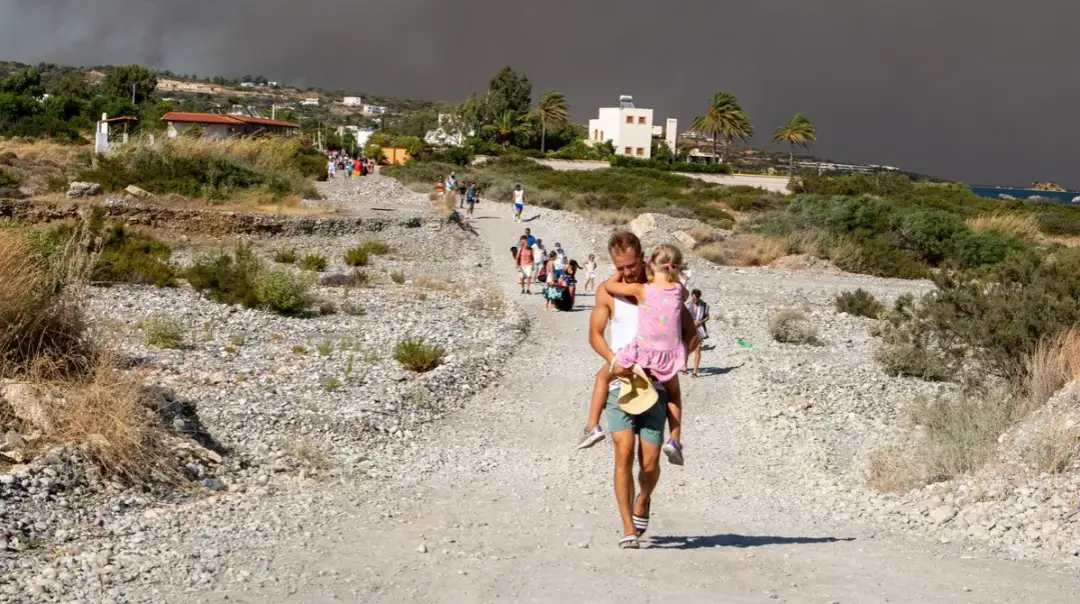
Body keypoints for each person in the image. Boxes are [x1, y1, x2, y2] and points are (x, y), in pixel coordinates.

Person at [581, 232, 698, 549]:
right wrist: (612, 360)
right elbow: (595, 334)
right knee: (623, 452)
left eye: (632, 265)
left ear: (642, 257)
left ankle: (644, 498)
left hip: (656, 385)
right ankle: (627, 527)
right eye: (621, 266)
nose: (628, 272)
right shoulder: (609, 292)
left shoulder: (663, 288)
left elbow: (690, 332)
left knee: (649, 463)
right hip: (623, 382)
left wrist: (675, 359)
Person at [683, 289, 709, 378]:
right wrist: (691, 321)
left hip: (699, 329)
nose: (696, 300)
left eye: (697, 299)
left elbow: (707, 317)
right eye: (694, 299)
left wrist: (701, 321)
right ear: (691, 296)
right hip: (688, 329)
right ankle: (684, 366)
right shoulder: (686, 304)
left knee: (697, 349)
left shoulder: (704, 305)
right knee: (686, 349)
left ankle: (695, 371)